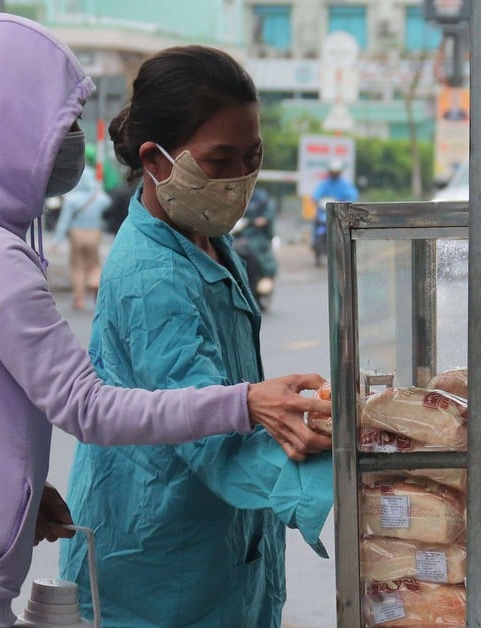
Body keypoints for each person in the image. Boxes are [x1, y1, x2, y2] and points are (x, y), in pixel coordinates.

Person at [0, 15, 331, 628]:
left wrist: (11, 495)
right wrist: (246, 402)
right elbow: (87, 409)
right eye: (57, 128)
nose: (71, 146)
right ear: (7, 129)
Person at [59, 46, 334, 628]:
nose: (240, 178)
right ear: (155, 160)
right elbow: (211, 434)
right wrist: (347, 451)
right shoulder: (151, 275)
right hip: (157, 568)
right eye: (219, 160)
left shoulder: (206, 238)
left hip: (219, 554)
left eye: (252, 156)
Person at [53, 167, 110, 311]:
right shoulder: (100, 198)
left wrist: (57, 240)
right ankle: (95, 281)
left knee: (77, 267)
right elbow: (108, 210)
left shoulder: (72, 199)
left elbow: (64, 221)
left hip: (76, 233)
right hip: (94, 233)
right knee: (94, 264)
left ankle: (78, 300)